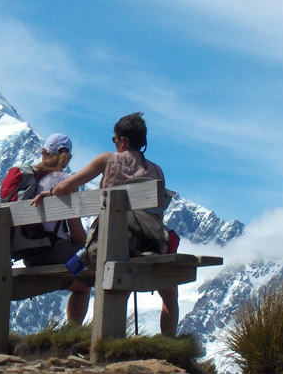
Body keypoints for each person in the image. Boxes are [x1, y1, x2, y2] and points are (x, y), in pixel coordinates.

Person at [31, 113, 179, 336]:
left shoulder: (107, 160)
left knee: (77, 268)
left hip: (103, 246)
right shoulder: (157, 171)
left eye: (115, 139)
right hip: (146, 247)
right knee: (169, 291)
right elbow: (157, 215)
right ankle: (170, 342)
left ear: (122, 141)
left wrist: (50, 192)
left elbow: (65, 187)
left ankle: (76, 333)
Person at [23, 133, 90, 325]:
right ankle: (72, 333)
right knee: (86, 281)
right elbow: (77, 234)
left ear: (44, 153)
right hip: (56, 254)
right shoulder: (65, 182)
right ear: (67, 158)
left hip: (29, 256)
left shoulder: (29, 181)